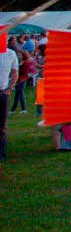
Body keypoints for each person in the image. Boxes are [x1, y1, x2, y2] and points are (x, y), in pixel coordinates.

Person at [0, 39, 19, 177]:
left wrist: (10, 87)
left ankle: (2, 153)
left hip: (3, 93)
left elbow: (14, 72)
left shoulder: (10, 54)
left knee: (2, 125)